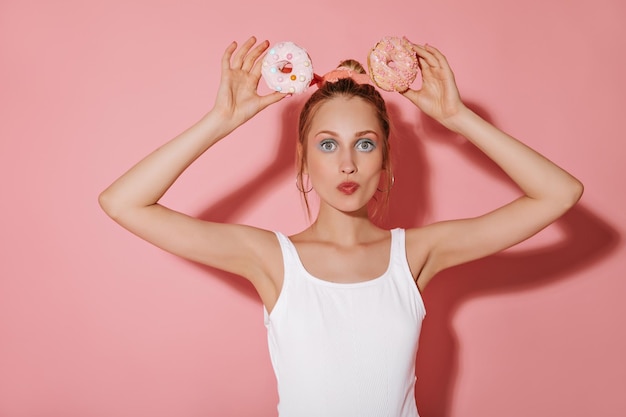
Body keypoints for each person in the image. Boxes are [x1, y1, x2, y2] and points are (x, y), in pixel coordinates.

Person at [98, 36, 583, 417]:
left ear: (387, 162)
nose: (347, 163)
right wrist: (220, 119)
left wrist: (457, 117)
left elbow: (559, 193)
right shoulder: (271, 259)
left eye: (365, 144)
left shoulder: (415, 254)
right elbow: (123, 203)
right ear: (305, 162)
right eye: (328, 145)